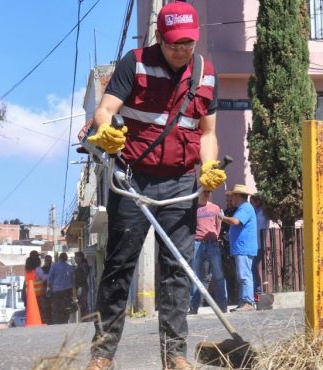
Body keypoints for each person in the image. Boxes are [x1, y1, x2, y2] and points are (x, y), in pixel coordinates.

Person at [83, 3, 225, 369]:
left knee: (177, 269)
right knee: (118, 267)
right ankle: (102, 355)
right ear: (159, 37)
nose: (182, 50)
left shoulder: (206, 73)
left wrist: (208, 168)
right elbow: (105, 109)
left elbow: (207, 133)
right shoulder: (136, 63)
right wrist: (107, 130)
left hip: (180, 183)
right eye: (175, 43)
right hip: (133, 179)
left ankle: (175, 355)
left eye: (188, 43)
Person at [220, 185, 258, 312]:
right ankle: (244, 302)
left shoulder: (245, 208)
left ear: (239, 196)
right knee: (243, 275)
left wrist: (222, 218)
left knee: (244, 275)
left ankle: (248, 302)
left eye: (234, 195)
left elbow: (236, 222)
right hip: (241, 247)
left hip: (244, 247)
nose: (232, 198)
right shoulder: (243, 208)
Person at [189, 191, 227, 314]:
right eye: (203, 192)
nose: (206, 194)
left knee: (218, 275)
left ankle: (223, 306)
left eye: (208, 192)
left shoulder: (215, 208)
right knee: (195, 275)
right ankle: (193, 307)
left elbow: (218, 225)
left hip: (212, 243)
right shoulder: (194, 208)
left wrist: (215, 236)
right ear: (198, 194)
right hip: (197, 242)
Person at [250, 194, 269, 301]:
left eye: (252, 202)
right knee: (253, 268)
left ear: (258, 202)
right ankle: (256, 291)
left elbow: (260, 226)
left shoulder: (263, 212)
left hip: (259, 243)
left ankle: (257, 291)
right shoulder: (255, 212)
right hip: (254, 243)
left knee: (253, 268)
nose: (251, 204)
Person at [47, 252, 75, 325]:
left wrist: (49, 288)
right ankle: (65, 319)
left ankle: (58, 321)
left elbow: (50, 279)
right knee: (67, 306)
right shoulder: (69, 267)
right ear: (66, 259)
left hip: (57, 291)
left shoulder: (54, 266)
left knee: (57, 307)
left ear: (59, 258)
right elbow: (73, 280)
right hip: (68, 291)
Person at [36, 255, 53, 324]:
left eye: (50, 260)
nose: (49, 262)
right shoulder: (42, 270)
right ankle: (46, 320)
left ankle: (50, 320)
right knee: (45, 307)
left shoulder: (53, 269)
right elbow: (41, 279)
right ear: (45, 261)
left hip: (52, 290)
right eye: (47, 260)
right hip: (43, 291)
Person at [74, 252, 90, 317]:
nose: (75, 259)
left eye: (76, 257)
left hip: (82, 286)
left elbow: (84, 276)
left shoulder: (83, 266)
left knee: (83, 302)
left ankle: (86, 316)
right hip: (80, 287)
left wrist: (80, 286)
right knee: (81, 302)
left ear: (80, 257)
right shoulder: (79, 266)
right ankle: (83, 316)